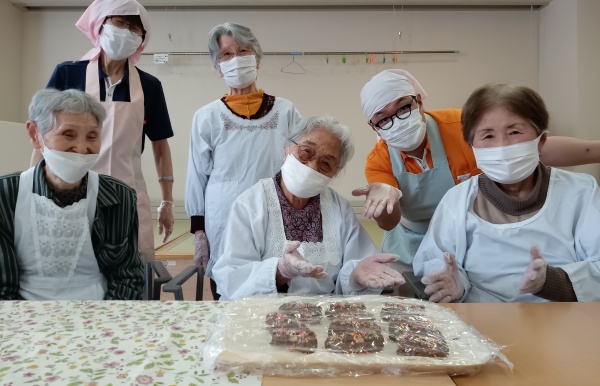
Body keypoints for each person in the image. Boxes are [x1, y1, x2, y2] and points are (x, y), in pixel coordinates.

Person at [355, 69, 600, 266]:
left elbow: (528, 149)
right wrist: (382, 200)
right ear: (373, 126)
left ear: (418, 101)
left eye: (403, 108)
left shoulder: (457, 125)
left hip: (470, 233)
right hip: (411, 243)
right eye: (383, 118)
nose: (397, 120)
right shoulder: (379, 160)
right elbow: (389, 222)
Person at [413, 83, 600, 302]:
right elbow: (435, 261)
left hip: (561, 316)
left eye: (514, 132)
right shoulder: (457, 201)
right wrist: (456, 284)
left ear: (541, 141)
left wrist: (551, 281)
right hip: (480, 318)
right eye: (488, 136)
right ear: (472, 146)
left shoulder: (581, 192)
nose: (502, 145)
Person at [36, 0, 175, 263]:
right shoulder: (68, 74)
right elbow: (43, 137)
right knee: (71, 265)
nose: (126, 32)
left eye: (135, 28)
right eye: (120, 23)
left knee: (131, 266)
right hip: (70, 193)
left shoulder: (149, 86)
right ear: (101, 24)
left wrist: (167, 201)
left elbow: (160, 145)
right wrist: (34, 187)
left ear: (141, 39)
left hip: (128, 195)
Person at [212, 116, 405, 301]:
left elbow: (356, 266)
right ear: (286, 150)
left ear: (334, 173)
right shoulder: (250, 204)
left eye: (326, 163)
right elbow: (232, 278)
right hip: (261, 315)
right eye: (306, 152)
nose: (312, 167)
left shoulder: (339, 209)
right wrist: (280, 271)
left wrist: (355, 276)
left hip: (323, 317)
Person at [185, 22, 302, 299]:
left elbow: (301, 167)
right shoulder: (206, 117)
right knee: (229, 291)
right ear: (218, 66)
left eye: (243, 50)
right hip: (223, 219)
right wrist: (199, 232)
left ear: (257, 58)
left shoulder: (286, 111)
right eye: (226, 54)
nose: (236, 59)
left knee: (276, 289)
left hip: (275, 216)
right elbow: (196, 175)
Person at [0, 89, 144, 300]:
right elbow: (3, 287)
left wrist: (105, 318)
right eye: (68, 134)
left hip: (99, 310)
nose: (81, 148)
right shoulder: (6, 195)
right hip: (25, 312)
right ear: (35, 135)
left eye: (92, 136)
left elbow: (127, 277)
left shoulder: (118, 196)